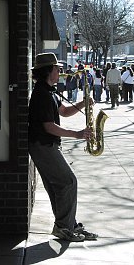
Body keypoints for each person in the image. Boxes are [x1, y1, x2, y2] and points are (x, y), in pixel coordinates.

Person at [28, 52, 98, 242]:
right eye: (57, 68)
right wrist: (77, 134)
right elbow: (48, 127)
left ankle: (67, 225)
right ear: (48, 70)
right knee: (68, 182)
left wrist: (83, 103)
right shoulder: (41, 94)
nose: (60, 71)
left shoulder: (49, 90)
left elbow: (64, 112)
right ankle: (64, 227)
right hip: (42, 145)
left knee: (58, 186)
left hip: (46, 145)